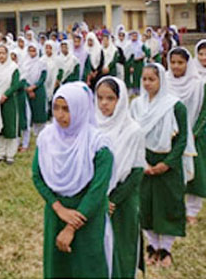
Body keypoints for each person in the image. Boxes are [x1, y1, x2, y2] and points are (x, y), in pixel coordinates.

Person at [32, 82, 114, 279]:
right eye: (56, 108)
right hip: (56, 214)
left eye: (67, 109)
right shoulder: (47, 138)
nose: (60, 115)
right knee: (58, 266)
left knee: (88, 266)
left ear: (81, 109)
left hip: (87, 217)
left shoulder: (98, 144)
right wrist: (59, 209)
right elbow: (37, 176)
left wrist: (71, 226)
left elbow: (97, 190)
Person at [130, 63, 189, 268]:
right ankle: (152, 247)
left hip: (168, 164)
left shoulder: (175, 106)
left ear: (161, 80)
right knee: (145, 204)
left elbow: (182, 139)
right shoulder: (137, 105)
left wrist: (167, 164)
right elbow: (132, 134)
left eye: (151, 79)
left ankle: (166, 250)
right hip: (144, 161)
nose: (147, 83)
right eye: (144, 79)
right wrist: (142, 162)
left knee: (168, 204)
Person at [96, 77, 145, 278]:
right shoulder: (92, 126)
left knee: (121, 247)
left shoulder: (133, 130)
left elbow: (136, 171)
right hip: (97, 199)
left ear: (121, 99)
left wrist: (113, 200)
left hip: (122, 201)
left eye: (110, 98)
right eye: (99, 98)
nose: (104, 103)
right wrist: (99, 198)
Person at [166, 48, 206, 226]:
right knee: (171, 173)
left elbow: (204, 111)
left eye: (180, 63)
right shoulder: (164, 82)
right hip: (169, 136)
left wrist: (193, 133)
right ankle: (173, 209)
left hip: (194, 135)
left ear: (188, 64)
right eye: (173, 62)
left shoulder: (198, 84)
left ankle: (191, 212)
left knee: (194, 175)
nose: (176, 66)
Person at [0, 44, 21, 164]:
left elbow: (15, 84)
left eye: (3, 53)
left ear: (7, 54)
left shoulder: (13, 67)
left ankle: (10, 154)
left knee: (10, 126)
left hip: (9, 101)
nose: (1, 56)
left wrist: (5, 95)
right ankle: (1, 153)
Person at [24, 43, 49, 140]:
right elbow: (23, 77)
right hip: (28, 90)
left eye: (34, 50)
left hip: (39, 90)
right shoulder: (25, 63)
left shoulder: (41, 63)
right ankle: (34, 131)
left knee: (40, 110)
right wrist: (28, 88)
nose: (32, 53)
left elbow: (43, 77)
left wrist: (34, 87)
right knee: (31, 110)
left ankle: (42, 131)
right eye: (30, 50)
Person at [126, 31, 145, 95]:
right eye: (133, 36)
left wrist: (140, 57)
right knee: (132, 76)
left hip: (139, 63)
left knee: (138, 76)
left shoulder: (141, 44)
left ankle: (139, 89)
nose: (134, 37)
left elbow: (144, 53)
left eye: (135, 36)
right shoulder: (128, 44)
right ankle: (132, 90)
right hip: (131, 62)